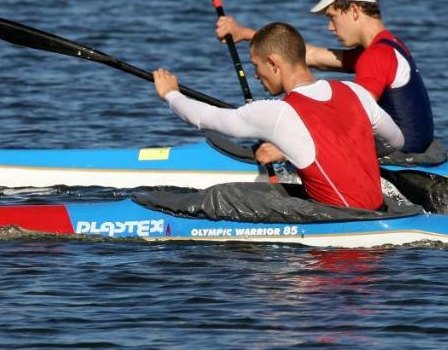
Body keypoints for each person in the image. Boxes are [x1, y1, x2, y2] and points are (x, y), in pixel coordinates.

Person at [153, 22, 404, 211]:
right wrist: (355, 153)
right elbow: (396, 141)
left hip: (336, 249)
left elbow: (205, 118)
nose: (256, 75)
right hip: (379, 218)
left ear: (273, 64)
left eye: (256, 66)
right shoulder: (354, 91)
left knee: (225, 197)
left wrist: (171, 94)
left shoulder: (277, 113)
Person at [215, 0, 437, 156]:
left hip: (402, 159)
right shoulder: (388, 46)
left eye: (332, 17)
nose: (330, 28)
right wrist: (244, 33)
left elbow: (356, 117)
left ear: (354, 10)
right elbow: (310, 56)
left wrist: (288, 149)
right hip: (415, 151)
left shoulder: (376, 57)